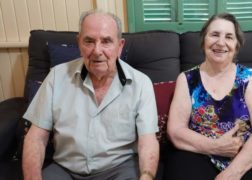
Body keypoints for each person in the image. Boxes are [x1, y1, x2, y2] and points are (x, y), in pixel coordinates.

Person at [22, 10, 159, 180]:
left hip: (119, 169)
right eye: (89, 41)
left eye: (106, 41)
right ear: (79, 43)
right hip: (65, 169)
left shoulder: (141, 83)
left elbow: (148, 141)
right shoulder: (57, 77)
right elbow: (36, 138)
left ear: (120, 46)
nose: (97, 51)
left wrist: (146, 176)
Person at [165, 13, 252, 180]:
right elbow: (175, 131)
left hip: (243, 157)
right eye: (214, 34)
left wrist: (232, 173)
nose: (221, 42)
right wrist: (215, 146)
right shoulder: (186, 79)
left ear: (237, 45)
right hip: (198, 154)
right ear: (204, 41)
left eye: (229, 37)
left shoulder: (249, 78)